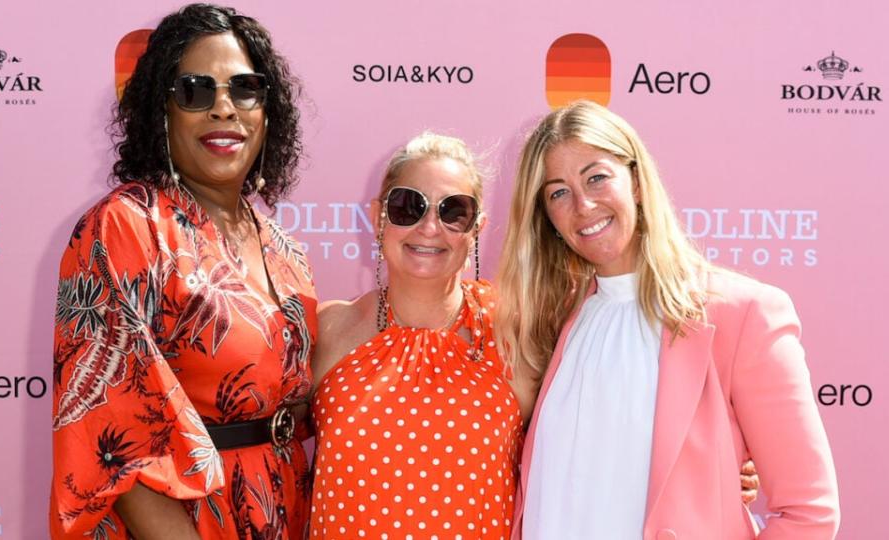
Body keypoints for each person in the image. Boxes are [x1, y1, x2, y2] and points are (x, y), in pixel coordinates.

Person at [495, 100, 840, 539]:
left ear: (636, 181)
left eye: (597, 177)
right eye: (558, 192)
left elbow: (809, 511)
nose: (583, 204)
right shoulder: (552, 320)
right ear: (546, 218)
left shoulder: (742, 314)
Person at [50, 4, 315, 539]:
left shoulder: (287, 252)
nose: (224, 108)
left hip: (280, 509)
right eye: (195, 91)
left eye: (245, 89)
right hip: (178, 524)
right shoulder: (125, 227)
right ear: (161, 111)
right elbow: (113, 436)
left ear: (268, 111)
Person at [307, 133, 536, 539]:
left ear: (477, 227)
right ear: (379, 215)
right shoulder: (329, 330)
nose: (430, 227)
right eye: (407, 206)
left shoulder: (516, 334)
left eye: (454, 211)